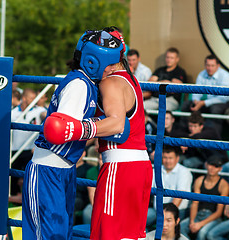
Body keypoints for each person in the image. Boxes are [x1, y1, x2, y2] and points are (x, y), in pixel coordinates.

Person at [21, 28, 126, 240]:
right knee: (50, 236)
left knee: (62, 234)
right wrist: (99, 124)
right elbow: (60, 130)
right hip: (48, 171)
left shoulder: (89, 84)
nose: (113, 69)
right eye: (111, 63)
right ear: (93, 61)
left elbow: (77, 129)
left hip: (63, 170)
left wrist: (96, 125)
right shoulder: (79, 85)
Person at [90, 32, 152, 239]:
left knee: (107, 233)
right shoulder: (132, 80)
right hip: (139, 166)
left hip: (120, 168)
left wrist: (80, 128)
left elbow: (116, 123)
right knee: (130, 236)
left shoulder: (111, 83)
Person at [181, 55, 229, 134]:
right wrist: (196, 101)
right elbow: (196, 91)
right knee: (187, 105)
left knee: (215, 109)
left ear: (218, 66)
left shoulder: (225, 76)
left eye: (212, 65)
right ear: (205, 65)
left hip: (227, 102)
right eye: (208, 65)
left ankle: (213, 138)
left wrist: (203, 103)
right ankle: (185, 135)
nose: (210, 68)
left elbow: (224, 97)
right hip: (207, 102)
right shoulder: (201, 74)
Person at [180, 156, 229, 240]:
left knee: (202, 233)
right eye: (211, 165)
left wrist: (200, 224)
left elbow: (219, 212)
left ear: (220, 169)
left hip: (214, 218)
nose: (213, 168)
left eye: (216, 166)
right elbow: (195, 203)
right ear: (206, 165)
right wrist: (192, 222)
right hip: (198, 214)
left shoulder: (224, 185)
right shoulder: (199, 180)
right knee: (180, 227)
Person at [147, 145, 192, 228]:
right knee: (137, 219)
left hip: (177, 210)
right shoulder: (157, 169)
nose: (167, 161)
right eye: (165, 158)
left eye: (170, 158)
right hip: (157, 210)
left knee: (169, 228)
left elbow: (179, 197)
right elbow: (146, 188)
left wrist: (167, 214)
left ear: (177, 158)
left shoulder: (184, 172)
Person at [10, 88, 45, 196]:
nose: (34, 101)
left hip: (31, 150)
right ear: (24, 98)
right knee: (13, 180)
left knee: (30, 178)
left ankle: (29, 199)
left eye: (35, 99)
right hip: (15, 150)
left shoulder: (38, 110)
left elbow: (45, 114)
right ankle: (13, 203)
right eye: (31, 98)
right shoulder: (13, 112)